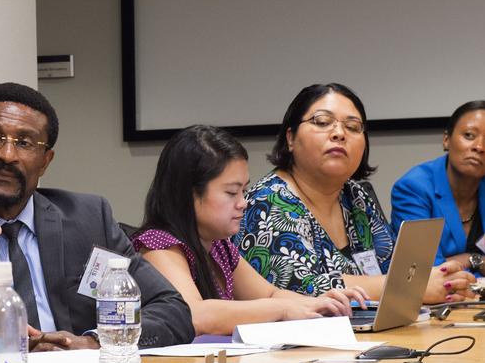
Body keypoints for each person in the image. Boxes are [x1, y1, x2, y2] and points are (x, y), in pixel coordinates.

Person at [0, 83, 194, 362]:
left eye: (25, 143)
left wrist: (94, 343)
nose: (7, 155)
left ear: (45, 161)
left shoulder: (89, 220)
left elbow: (172, 309)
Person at [237, 83, 475, 303]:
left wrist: (440, 281)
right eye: (322, 122)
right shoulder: (267, 201)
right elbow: (298, 288)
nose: (339, 133)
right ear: (290, 138)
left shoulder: (355, 195)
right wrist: (409, 287)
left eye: (352, 127)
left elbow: (394, 268)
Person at [134, 126, 367, 336]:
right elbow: (195, 314)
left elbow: (269, 294)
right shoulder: (159, 247)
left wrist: (318, 304)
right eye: (231, 193)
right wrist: (283, 309)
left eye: (243, 191)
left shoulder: (218, 244)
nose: (243, 203)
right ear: (188, 194)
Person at [390, 100, 485, 278]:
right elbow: (422, 273)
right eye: (469, 135)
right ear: (446, 140)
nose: (479, 147)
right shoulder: (414, 188)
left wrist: (475, 261)